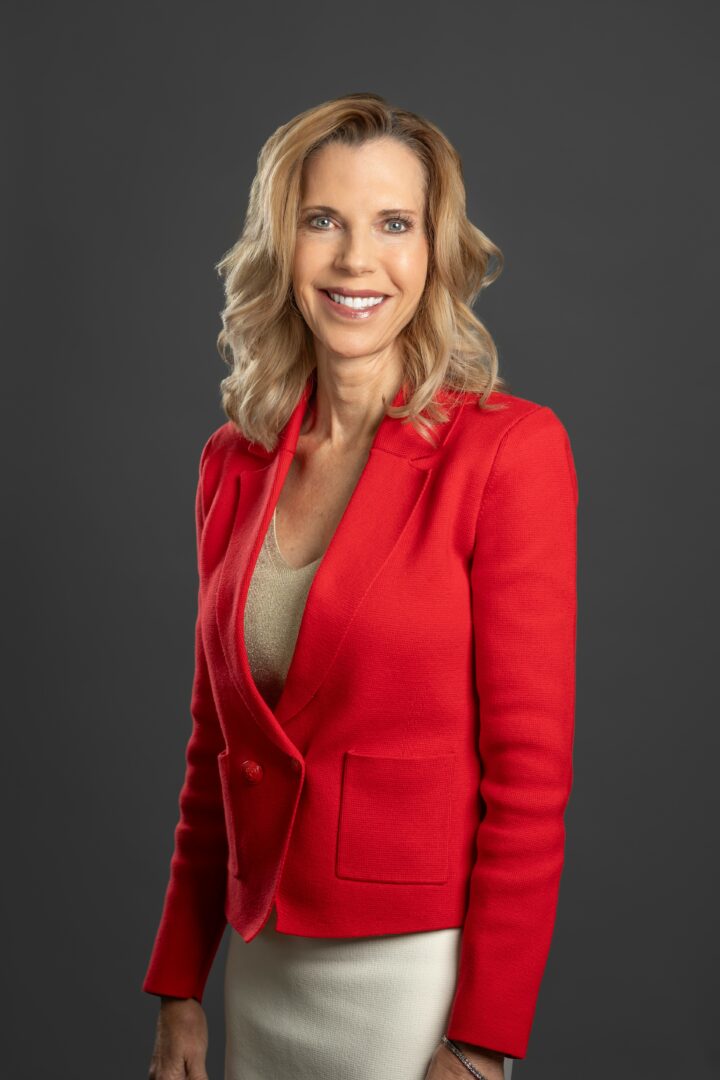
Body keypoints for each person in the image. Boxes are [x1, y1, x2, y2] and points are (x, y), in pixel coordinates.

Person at [142, 92, 578, 1080]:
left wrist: (479, 1042)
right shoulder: (233, 463)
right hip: (263, 963)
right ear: (281, 243)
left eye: (393, 224)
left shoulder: (509, 453)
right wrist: (180, 989)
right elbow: (219, 746)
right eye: (322, 220)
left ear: (434, 250)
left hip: (415, 978)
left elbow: (529, 780)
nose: (354, 260)